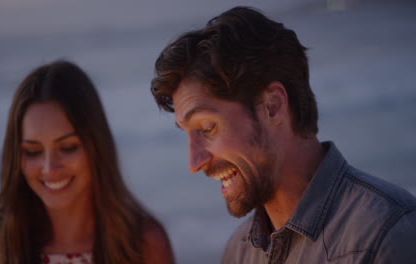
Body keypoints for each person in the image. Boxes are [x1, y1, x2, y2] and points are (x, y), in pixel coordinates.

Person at [150, 6, 416, 263]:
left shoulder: (386, 235)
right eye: (187, 134)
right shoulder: (239, 252)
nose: (194, 163)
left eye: (207, 128)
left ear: (272, 106)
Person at [0, 60, 174, 264]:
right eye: (32, 151)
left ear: (96, 146)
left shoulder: (145, 243)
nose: (49, 168)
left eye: (68, 147)